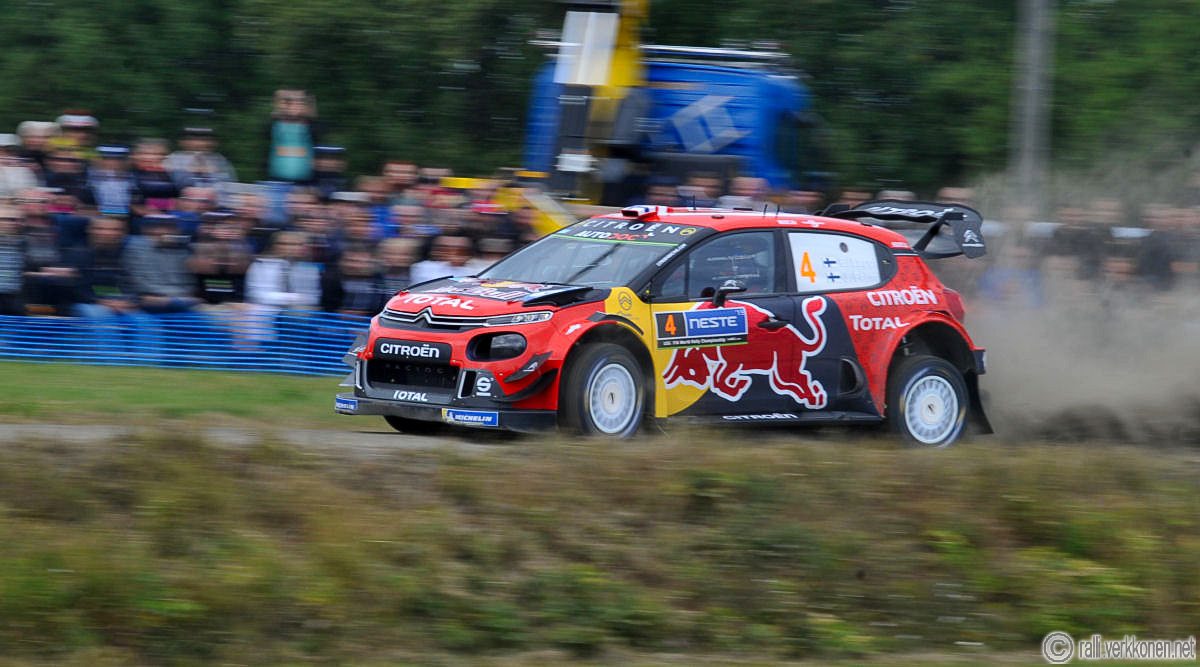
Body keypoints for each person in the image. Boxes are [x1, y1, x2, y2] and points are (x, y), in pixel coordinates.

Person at [123, 214, 199, 313]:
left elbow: (189, 284)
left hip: (180, 300)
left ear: (177, 231)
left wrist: (178, 298)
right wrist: (172, 298)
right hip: (145, 301)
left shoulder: (185, 250)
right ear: (147, 230)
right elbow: (139, 284)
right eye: (157, 227)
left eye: (168, 228)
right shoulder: (135, 247)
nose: (161, 231)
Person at [68, 217, 138, 318]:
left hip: (121, 301)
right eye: (100, 229)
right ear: (89, 230)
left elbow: (133, 284)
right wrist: (102, 302)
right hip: (87, 303)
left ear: (123, 233)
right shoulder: (77, 254)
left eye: (114, 229)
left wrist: (127, 301)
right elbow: (78, 289)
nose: (107, 233)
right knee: (98, 315)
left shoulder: (129, 254)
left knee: (142, 320)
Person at [188, 212, 253, 306]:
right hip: (206, 301)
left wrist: (239, 241)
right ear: (214, 229)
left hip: (235, 301)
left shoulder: (242, 248)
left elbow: (241, 268)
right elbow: (204, 268)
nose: (230, 231)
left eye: (233, 227)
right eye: (225, 227)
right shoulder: (201, 247)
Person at [245, 231, 322, 310]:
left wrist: (294, 300)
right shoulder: (260, 265)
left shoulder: (309, 269)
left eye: (294, 244)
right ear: (274, 246)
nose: (288, 248)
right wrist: (294, 298)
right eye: (283, 244)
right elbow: (257, 295)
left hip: (298, 311)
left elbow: (313, 297)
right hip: (265, 310)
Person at [164, 126, 238, 205]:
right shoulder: (173, 159)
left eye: (205, 139)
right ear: (183, 142)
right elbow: (176, 185)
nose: (200, 143)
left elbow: (229, 185)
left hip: (214, 204)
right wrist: (191, 171)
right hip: (183, 204)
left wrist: (210, 175)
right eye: (193, 139)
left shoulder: (220, 160)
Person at [266, 89, 319, 184]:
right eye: (291, 104)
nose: (295, 107)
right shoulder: (276, 125)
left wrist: (302, 97)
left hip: (305, 180)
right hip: (278, 178)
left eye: (299, 104)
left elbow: (312, 108)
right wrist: (296, 95)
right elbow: (278, 95)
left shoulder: (310, 126)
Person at [320, 245, 386, 315]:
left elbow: (380, 307)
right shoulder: (331, 279)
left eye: (360, 262)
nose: (355, 265)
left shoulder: (378, 281)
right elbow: (328, 306)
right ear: (342, 262)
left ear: (369, 264)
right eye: (351, 261)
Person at [85, 145, 136, 217]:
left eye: (117, 159)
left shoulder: (131, 176)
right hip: (98, 215)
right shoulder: (91, 175)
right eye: (107, 159)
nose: (112, 162)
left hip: (126, 215)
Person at [410, 235, 476, 283]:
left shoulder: (476, 272)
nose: (453, 254)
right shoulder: (423, 267)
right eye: (447, 249)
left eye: (461, 251)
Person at [0, 206, 26, 315]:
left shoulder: (24, 242)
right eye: (6, 219)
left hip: (15, 298)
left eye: (14, 219)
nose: (11, 223)